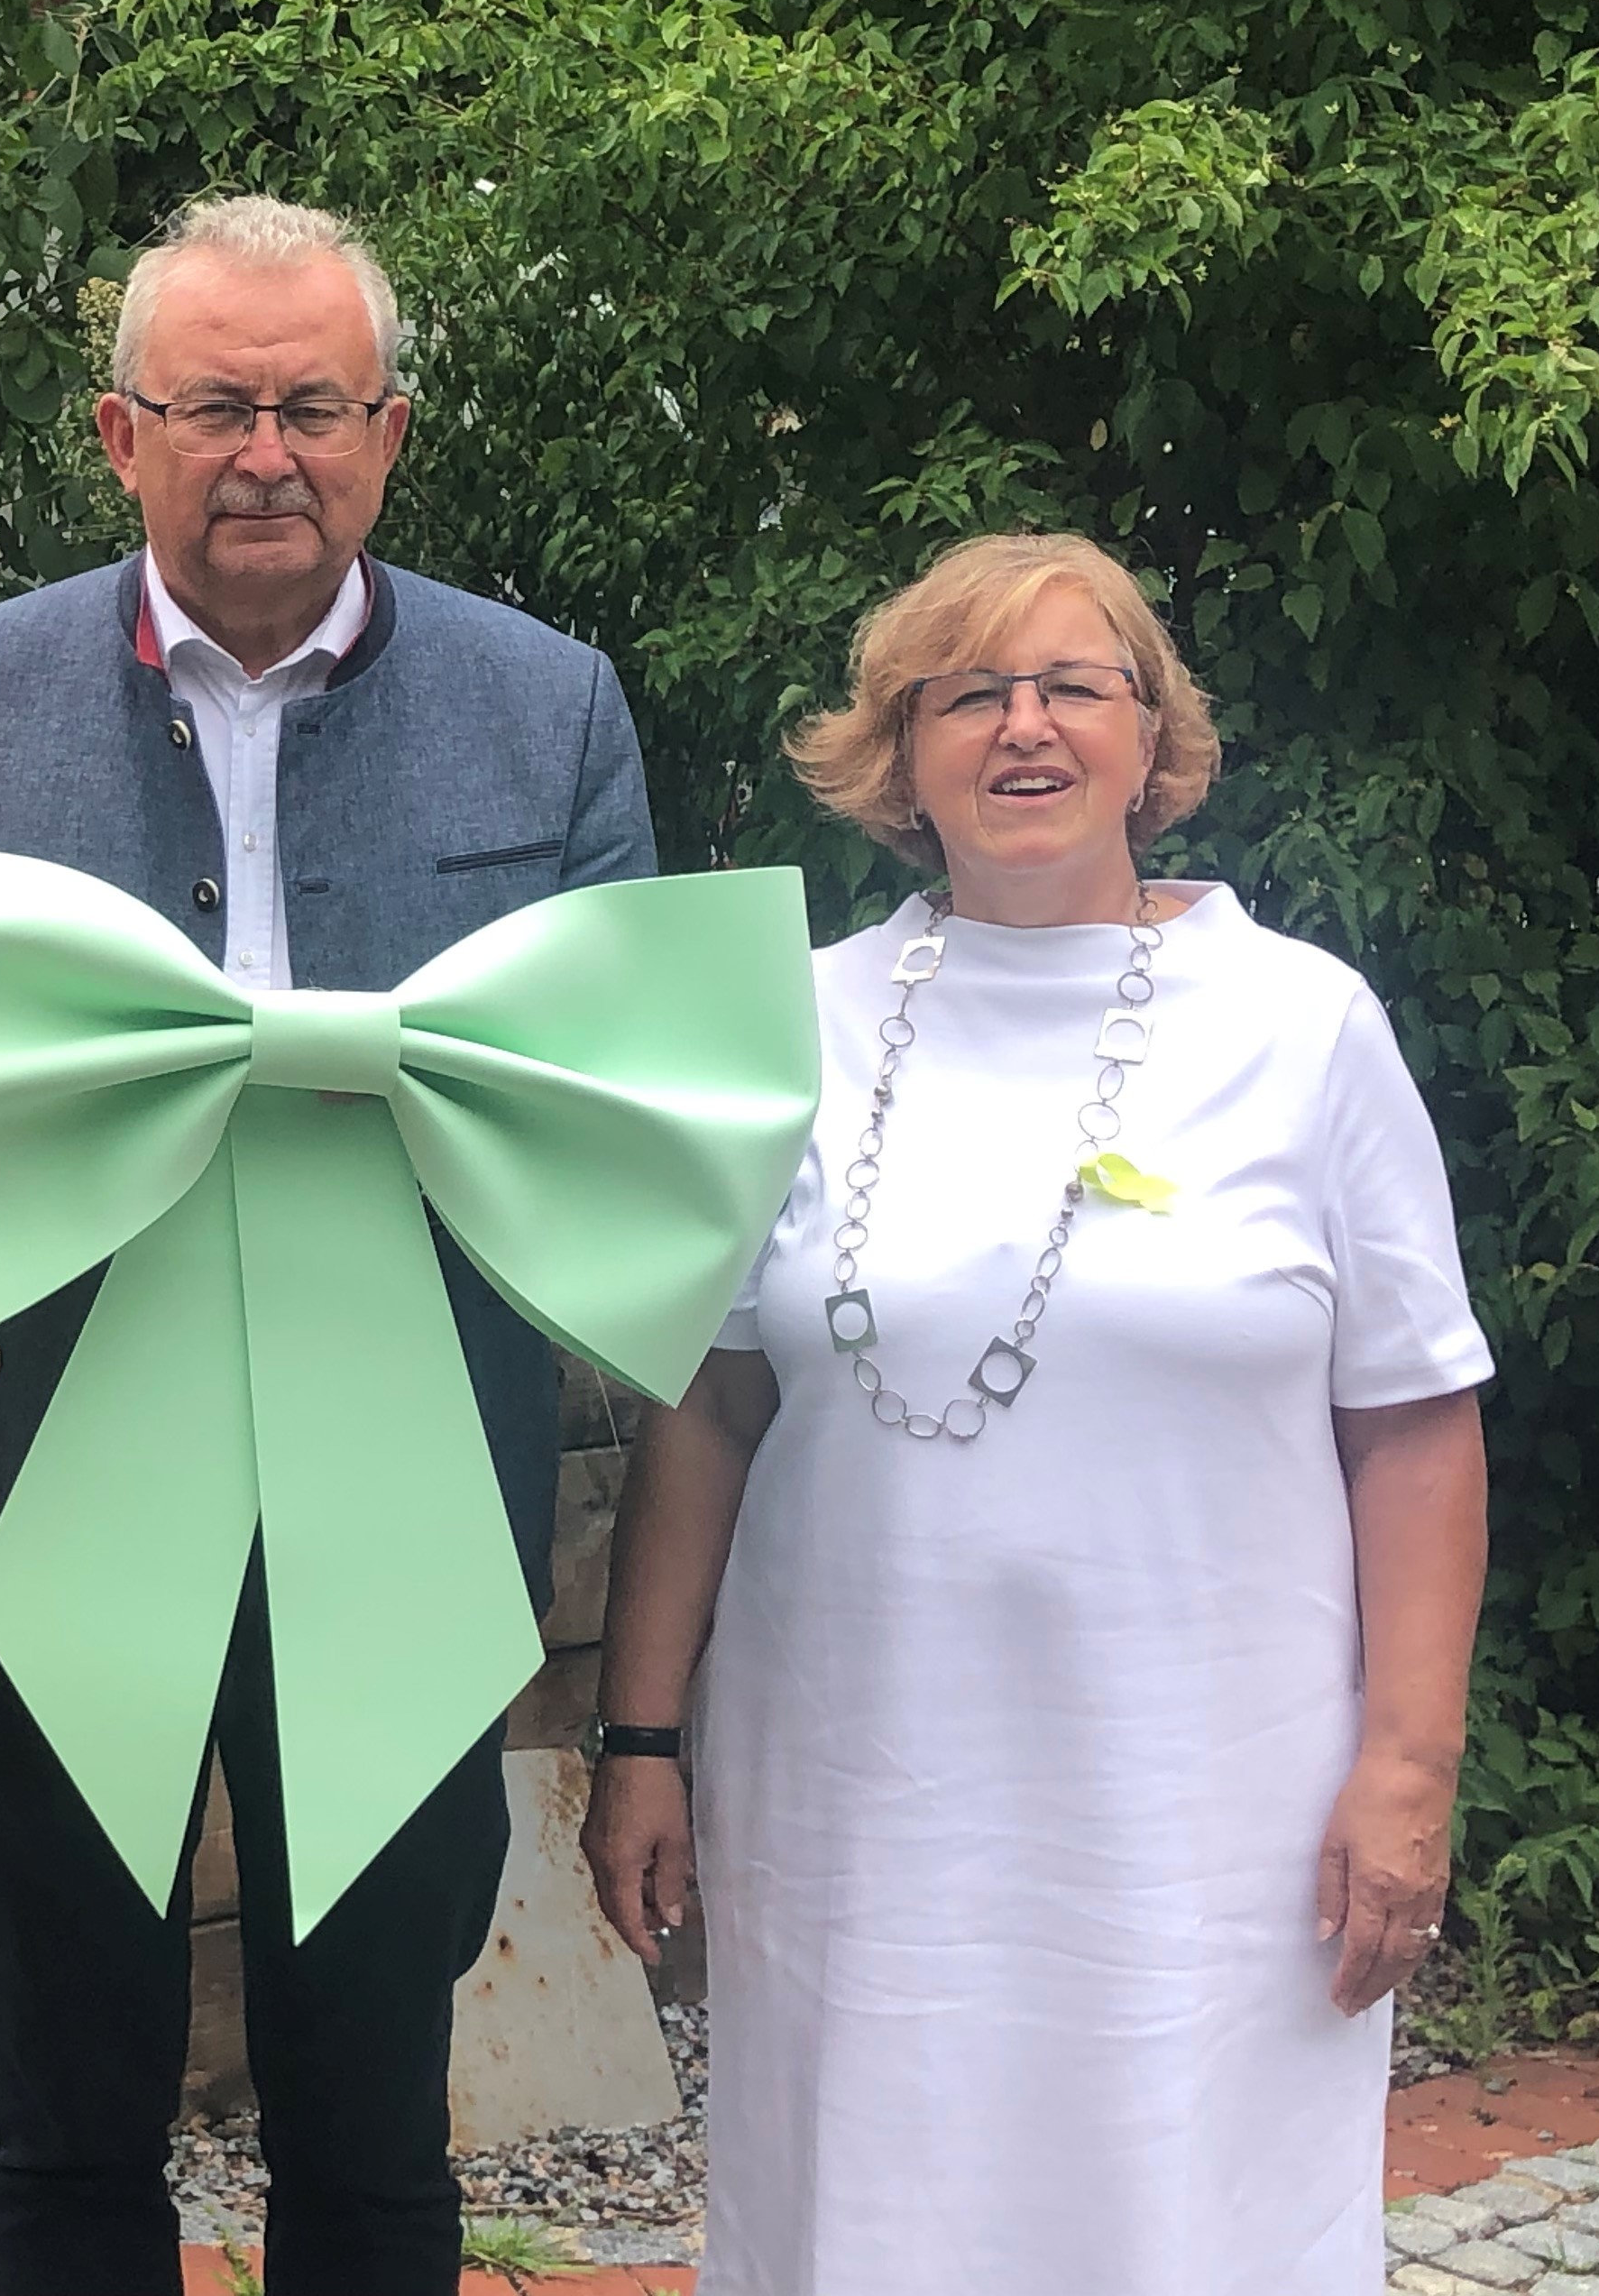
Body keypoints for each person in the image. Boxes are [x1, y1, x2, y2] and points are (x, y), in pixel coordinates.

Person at [0, 194, 657, 2296]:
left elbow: (608, 1092)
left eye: (310, 405)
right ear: (122, 436)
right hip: (50, 1482)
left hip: (399, 1501)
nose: (263, 449)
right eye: (215, 405)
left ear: (388, 433)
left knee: (375, 2112)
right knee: (66, 2100)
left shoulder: (550, 709)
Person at [582, 532, 1493, 2295]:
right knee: (871, 2212)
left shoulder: (1306, 1030)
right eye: (968, 694)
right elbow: (709, 1402)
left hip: (1213, 1816)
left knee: (1190, 2217)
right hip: (862, 1796)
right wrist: (637, 1739)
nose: (1025, 727)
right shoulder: (791, 1029)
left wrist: (1409, 1766)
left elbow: (1416, 1423)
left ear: (1152, 741)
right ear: (896, 752)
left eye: (1075, 685)